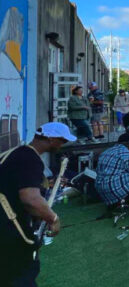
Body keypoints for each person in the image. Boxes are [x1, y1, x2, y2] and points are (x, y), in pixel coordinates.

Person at [0, 122, 74, 286]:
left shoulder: (17, 153)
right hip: (8, 231)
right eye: (62, 140)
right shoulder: (29, 158)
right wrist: (53, 218)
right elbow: (30, 199)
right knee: (21, 276)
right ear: (50, 138)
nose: (63, 145)